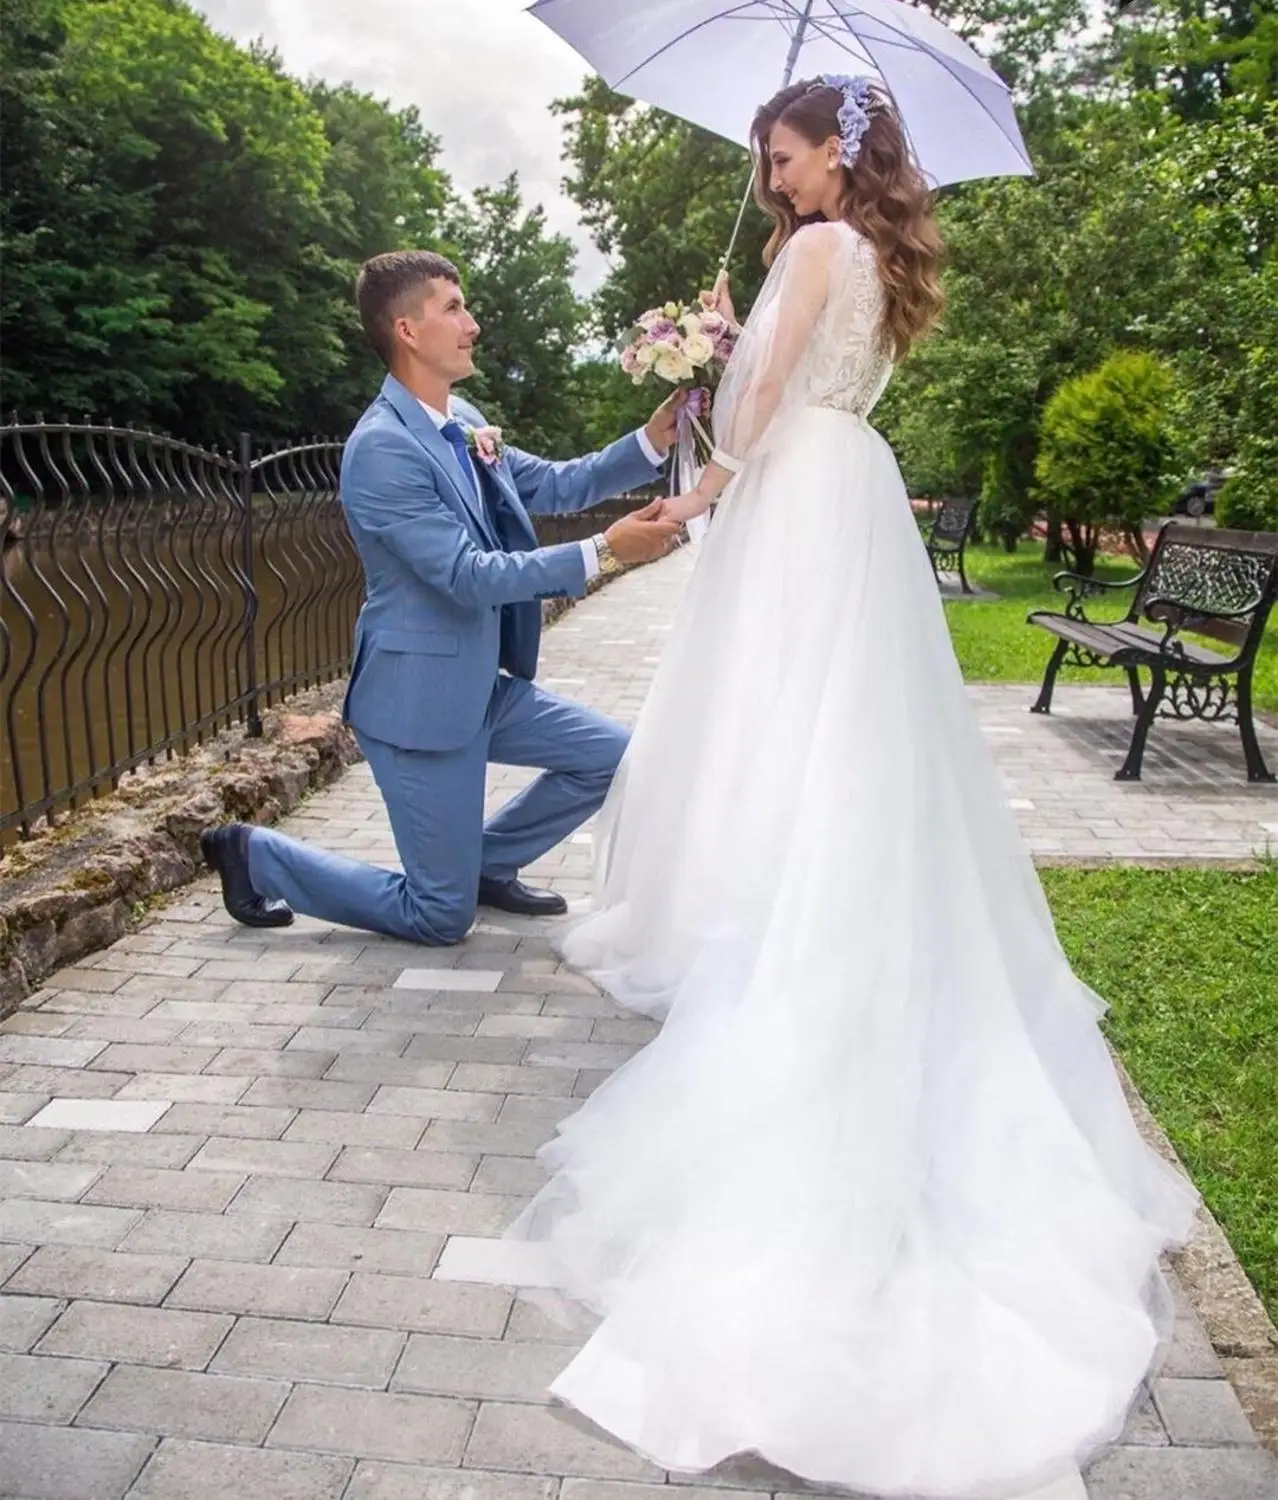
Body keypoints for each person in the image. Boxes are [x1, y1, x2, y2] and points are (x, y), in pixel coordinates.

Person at [468, 79, 1200, 1499]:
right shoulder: (874, 257)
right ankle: (817, 896)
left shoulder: (811, 253)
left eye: (781, 153)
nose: (768, 175)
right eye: (765, 155)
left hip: (794, 491)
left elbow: (749, 410)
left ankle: (772, 922)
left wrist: (701, 460)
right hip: (850, 483)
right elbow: (819, 383)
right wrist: (733, 360)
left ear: (831, 156)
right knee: (837, 723)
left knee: (769, 718)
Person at [202, 249, 682, 946]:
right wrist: (605, 550)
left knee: (617, 758)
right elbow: (468, 574)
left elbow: (550, 485)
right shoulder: (382, 449)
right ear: (406, 329)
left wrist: (650, 439)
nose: (473, 324)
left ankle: (486, 863)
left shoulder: (463, 418)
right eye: (453, 308)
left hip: (480, 685)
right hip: (417, 703)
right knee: (438, 917)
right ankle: (255, 854)